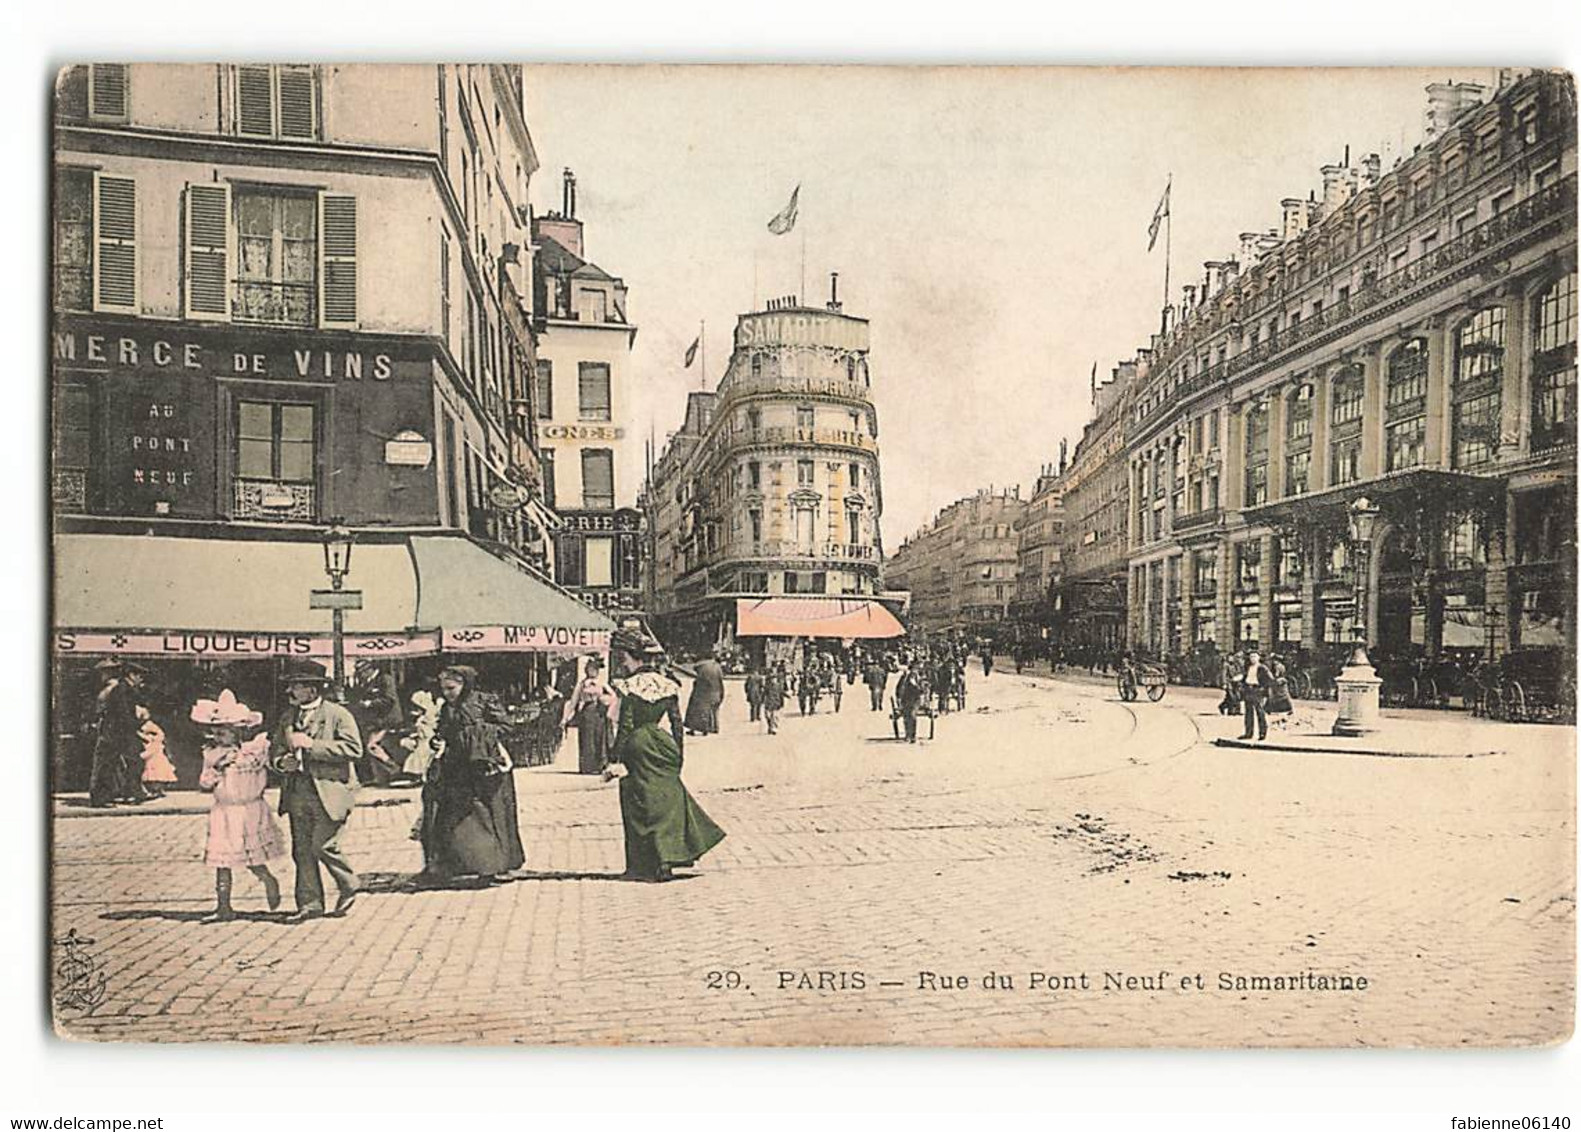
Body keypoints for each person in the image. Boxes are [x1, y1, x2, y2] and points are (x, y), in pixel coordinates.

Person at [607, 629, 726, 882]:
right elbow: (676, 723)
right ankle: (667, 858)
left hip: (638, 745)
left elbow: (626, 726)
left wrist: (615, 758)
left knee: (640, 804)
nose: (624, 664)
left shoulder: (628, 687)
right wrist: (678, 754)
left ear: (633, 658)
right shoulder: (668, 686)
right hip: (664, 745)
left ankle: (642, 865)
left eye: (625, 659)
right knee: (666, 802)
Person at [419, 665, 527, 883]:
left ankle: (497, 864)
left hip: (488, 767)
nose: (447, 693)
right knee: (450, 815)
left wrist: (477, 734)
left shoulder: (484, 700)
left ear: (464, 684)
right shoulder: (448, 708)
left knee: (492, 814)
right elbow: (444, 732)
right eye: (444, 689)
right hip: (457, 767)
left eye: (451, 688)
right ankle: (453, 864)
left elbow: (507, 726)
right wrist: (438, 739)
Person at [273, 658, 361, 922]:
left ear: (312, 689)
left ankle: (349, 884)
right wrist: (281, 763)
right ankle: (310, 904)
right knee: (301, 850)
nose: (290, 692)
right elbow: (275, 750)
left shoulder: (338, 715)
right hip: (297, 790)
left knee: (323, 845)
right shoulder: (288, 717)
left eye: (296, 686)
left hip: (329, 791)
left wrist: (313, 745)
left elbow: (354, 749)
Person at [193, 690, 284, 922]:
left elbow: (270, 766)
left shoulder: (254, 750)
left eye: (224, 732)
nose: (218, 736)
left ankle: (267, 879)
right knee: (222, 861)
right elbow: (204, 783)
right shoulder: (212, 754)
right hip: (224, 811)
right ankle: (224, 906)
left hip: (249, 809)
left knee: (251, 856)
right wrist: (216, 770)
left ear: (237, 732)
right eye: (215, 732)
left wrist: (248, 756)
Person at [88, 660, 149, 807]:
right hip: (117, 732)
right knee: (110, 764)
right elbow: (123, 713)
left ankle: (131, 793)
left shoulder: (126, 688)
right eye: (139, 675)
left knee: (131, 761)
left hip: (120, 732)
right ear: (131, 675)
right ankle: (104, 798)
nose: (141, 679)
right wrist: (136, 725)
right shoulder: (121, 689)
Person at [563, 656, 618, 776]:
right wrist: (566, 717)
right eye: (591, 669)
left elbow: (614, 696)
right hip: (587, 712)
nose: (594, 671)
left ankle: (601, 765)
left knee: (600, 738)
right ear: (586, 670)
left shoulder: (602, 683)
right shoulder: (582, 684)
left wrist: (606, 701)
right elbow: (573, 701)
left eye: (596, 669)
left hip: (599, 712)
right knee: (587, 739)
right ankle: (588, 766)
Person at [137, 707, 176, 799]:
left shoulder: (150, 727)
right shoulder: (146, 731)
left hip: (155, 757)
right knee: (152, 773)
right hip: (153, 755)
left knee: (157, 773)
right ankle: (155, 789)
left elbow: (159, 734)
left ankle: (157, 789)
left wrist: (147, 737)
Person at [683, 652, 726, 736]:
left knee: (695, 711)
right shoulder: (717, 667)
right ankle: (712, 728)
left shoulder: (702, 667)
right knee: (712, 711)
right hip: (715, 692)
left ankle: (695, 729)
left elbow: (697, 678)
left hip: (702, 693)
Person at [1239, 650, 1275, 741]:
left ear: (1258, 658)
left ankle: (1262, 733)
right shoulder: (1248, 667)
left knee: (1260, 712)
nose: (1253, 659)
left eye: (1255, 656)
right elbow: (1245, 678)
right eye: (1251, 657)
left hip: (1257, 690)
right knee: (1248, 713)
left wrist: (1263, 689)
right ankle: (1248, 733)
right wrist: (1242, 685)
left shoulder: (1263, 668)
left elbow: (1270, 680)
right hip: (1248, 690)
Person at [894, 662, 925, 744]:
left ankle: (913, 736)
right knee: (906, 717)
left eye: (915, 669)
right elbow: (898, 688)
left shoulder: (920, 678)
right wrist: (898, 698)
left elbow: (923, 690)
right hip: (906, 699)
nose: (914, 671)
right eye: (913, 669)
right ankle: (908, 734)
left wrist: (917, 687)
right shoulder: (904, 678)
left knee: (912, 715)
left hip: (915, 700)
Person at [762, 663, 787, 735]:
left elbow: (781, 693)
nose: (774, 680)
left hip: (776, 703)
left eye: (775, 679)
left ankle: (774, 728)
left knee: (775, 716)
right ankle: (770, 726)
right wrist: (762, 700)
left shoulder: (778, 686)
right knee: (767, 716)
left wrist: (785, 698)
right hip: (768, 703)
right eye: (772, 679)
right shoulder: (768, 686)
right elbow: (764, 693)